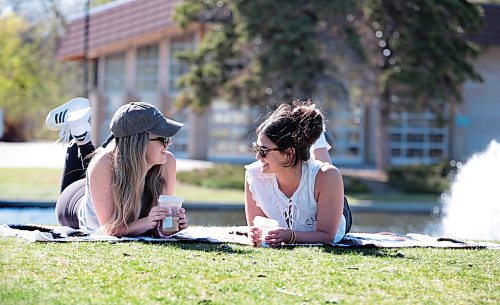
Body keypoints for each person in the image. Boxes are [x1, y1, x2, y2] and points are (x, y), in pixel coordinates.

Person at [47, 98, 188, 236]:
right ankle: (78, 134)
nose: (168, 144)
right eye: (163, 138)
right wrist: (147, 222)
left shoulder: (167, 162)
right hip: (73, 202)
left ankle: (80, 132)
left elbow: (156, 226)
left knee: (99, 164)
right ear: (140, 142)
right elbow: (107, 229)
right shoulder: (103, 164)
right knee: (99, 162)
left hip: (103, 181)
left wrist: (169, 226)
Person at [245, 100, 352, 246]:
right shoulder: (253, 175)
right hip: (300, 166)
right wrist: (255, 234)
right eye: (257, 149)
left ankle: (319, 142)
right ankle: (314, 141)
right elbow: (257, 226)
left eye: (264, 151)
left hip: (329, 202)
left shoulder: (328, 176)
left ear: (288, 153)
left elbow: (327, 236)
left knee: (324, 169)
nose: (258, 157)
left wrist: (291, 236)